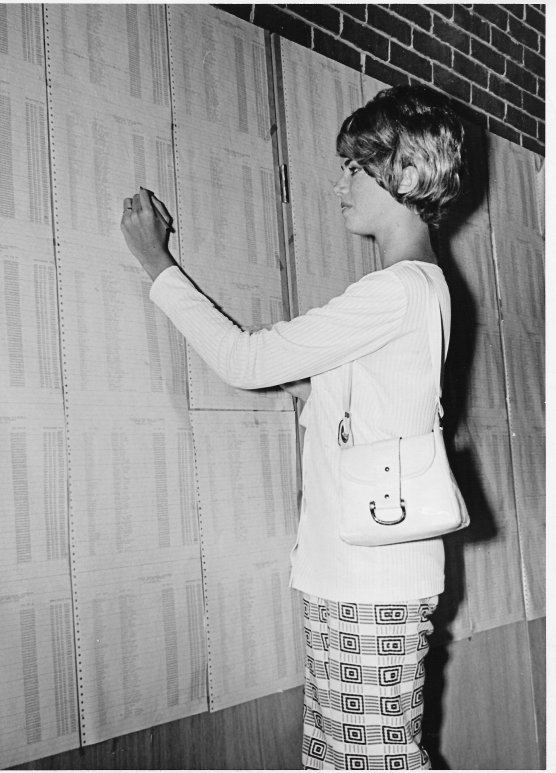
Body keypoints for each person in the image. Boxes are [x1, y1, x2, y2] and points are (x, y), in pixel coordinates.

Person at [121, 84, 464, 771]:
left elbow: (245, 359)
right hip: (354, 573)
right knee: (345, 762)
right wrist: (315, 388)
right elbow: (368, 405)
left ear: (400, 172)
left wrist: (156, 262)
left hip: (372, 579)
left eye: (354, 168)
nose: (340, 183)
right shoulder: (422, 288)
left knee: (373, 762)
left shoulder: (395, 290)